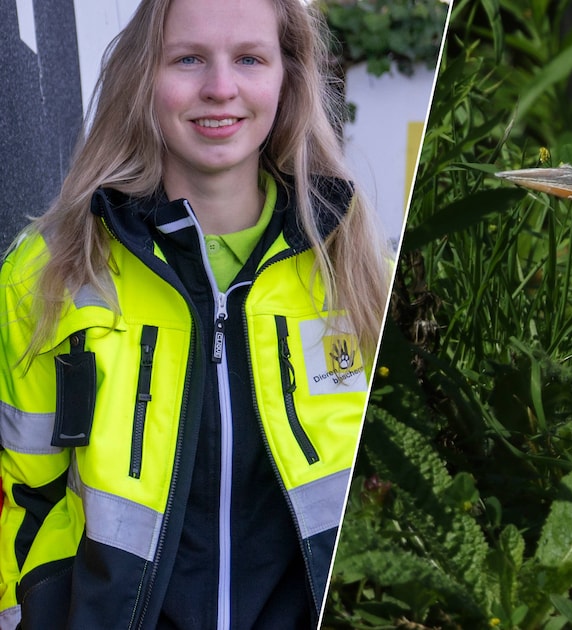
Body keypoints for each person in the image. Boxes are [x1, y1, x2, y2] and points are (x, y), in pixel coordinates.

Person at [0, 0, 392, 626]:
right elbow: (23, 500)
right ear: (142, 77)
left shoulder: (351, 261)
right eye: (187, 59)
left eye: (249, 59)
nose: (220, 88)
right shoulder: (46, 272)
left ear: (287, 76)